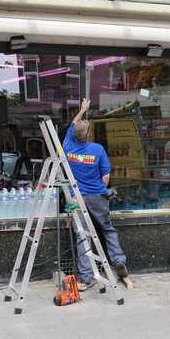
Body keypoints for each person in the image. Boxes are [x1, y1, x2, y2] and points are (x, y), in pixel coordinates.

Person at [63, 98, 128, 291]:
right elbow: (106, 176)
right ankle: (118, 260)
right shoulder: (97, 149)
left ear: (74, 135)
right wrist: (102, 190)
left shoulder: (67, 146)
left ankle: (86, 276)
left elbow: (73, 125)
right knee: (107, 229)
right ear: (88, 134)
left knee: (83, 236)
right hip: (96, 196)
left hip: (76, 197)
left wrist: (82, 110)